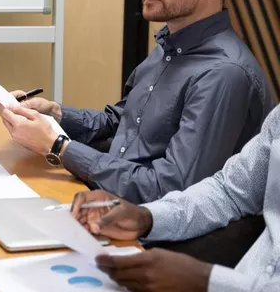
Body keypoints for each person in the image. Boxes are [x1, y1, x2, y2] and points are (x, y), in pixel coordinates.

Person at [0, 0, 274, 203]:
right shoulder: (170, 46)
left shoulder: (224, 73)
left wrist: (57, 147)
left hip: (159, 221)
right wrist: (55, 115)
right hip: (119, 200)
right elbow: (121, 124)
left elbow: (172, 190)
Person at [70, 101, 280, 292]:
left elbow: (170, 181)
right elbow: (230, 191)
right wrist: (147, 217)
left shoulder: (222, 77)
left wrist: (206, 282)